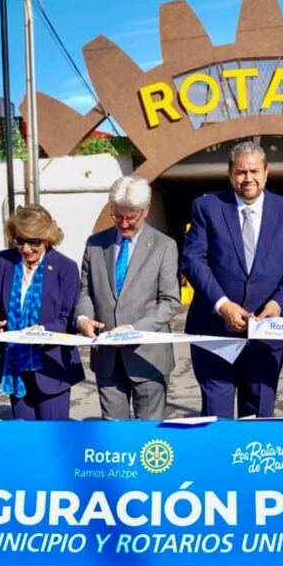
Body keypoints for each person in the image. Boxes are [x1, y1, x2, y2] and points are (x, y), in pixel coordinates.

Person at [181, 141, 283, 418]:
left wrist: (278, 304)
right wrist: (222, 304)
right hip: (214, 332)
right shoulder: (206, 208)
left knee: (260, 416)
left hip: (267, 336)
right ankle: (220, 463)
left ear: (266, 173)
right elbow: (193, 261)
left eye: (254, 171)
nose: (248, 178)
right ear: (231, 174)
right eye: (241, 172)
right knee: (217, 417)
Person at [75, 177, 181, 419]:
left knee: (147, 436)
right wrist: (83, 318)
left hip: (148, 357)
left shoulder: (164, 246)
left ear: (146, 211)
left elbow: (170, 301)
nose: (123, 223)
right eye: (117, 215)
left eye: (130, 217)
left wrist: (135, 329)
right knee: (114, 434)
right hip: (107, 359)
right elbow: (85, 291)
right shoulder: (95, 244)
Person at [0, 205, 84, 420]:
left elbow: (68, 319)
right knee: (25, 437)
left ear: (48, 238)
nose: (26, 248)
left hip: (52, 369)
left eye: (33, 241)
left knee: (53, 437)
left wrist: (43, 331)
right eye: (19, 240)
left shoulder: (66, 268)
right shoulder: (5, 260)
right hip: (15, 365)